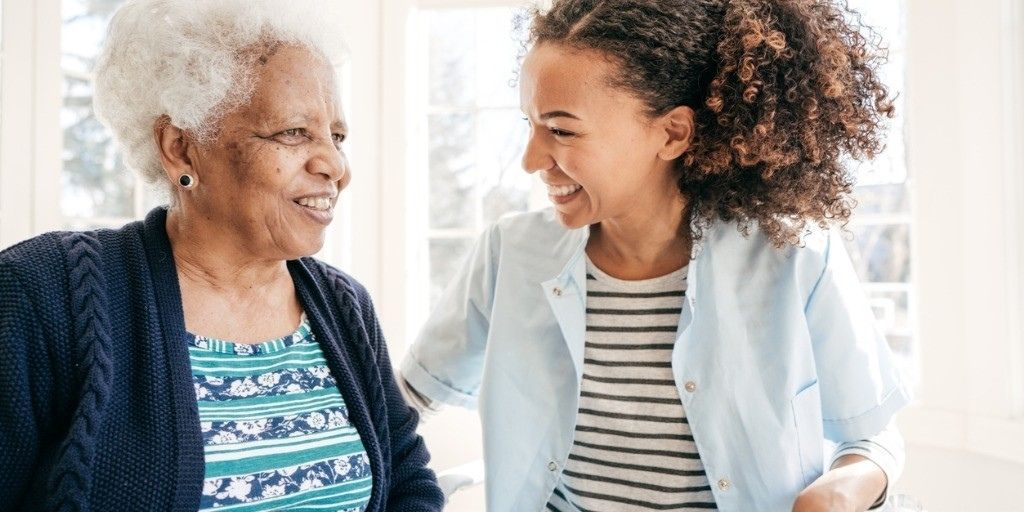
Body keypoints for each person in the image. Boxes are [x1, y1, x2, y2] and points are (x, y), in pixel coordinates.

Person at [400, 0, 909, 511]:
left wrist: (835, 495)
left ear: (671, 133)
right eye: (530, 125)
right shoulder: (510, 252)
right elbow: (402, 403)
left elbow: (872, 439)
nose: (531, 160)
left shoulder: (795, 256)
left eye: (562, 129)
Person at [0, 1, 443, 510]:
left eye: (336, 136)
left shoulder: (344, 306)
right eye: (294, 132)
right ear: (181, 149)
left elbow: (408, 481)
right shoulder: (42, 293)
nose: (335, 166)